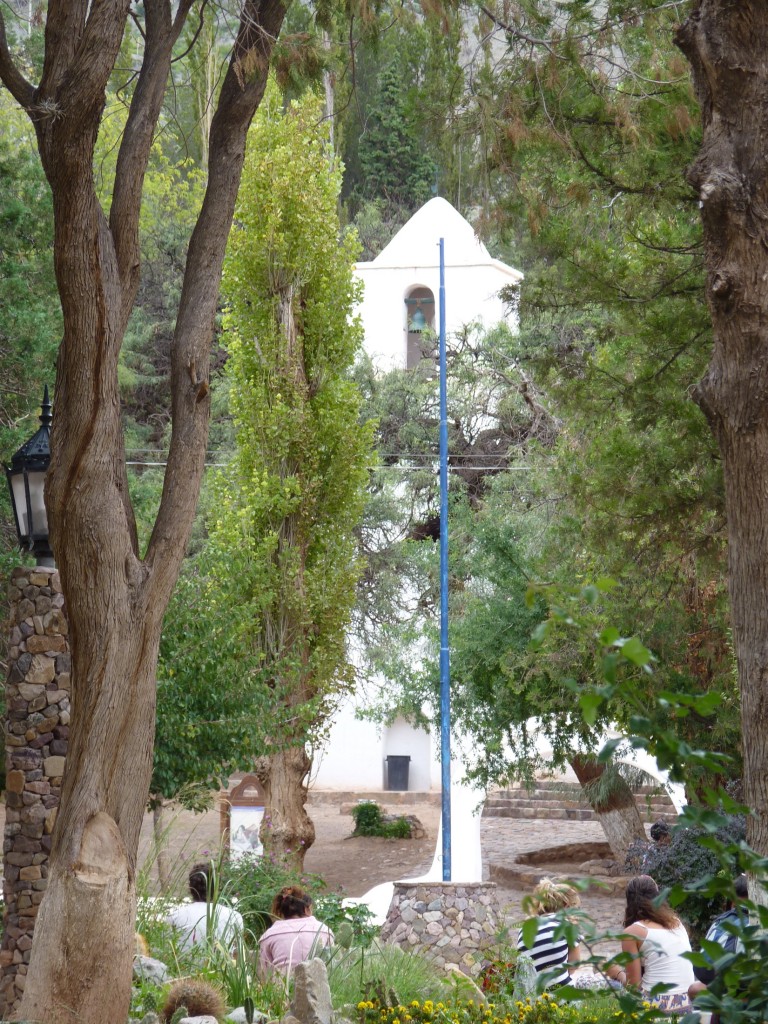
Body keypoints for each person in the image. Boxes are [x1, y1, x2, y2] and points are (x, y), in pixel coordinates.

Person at [605, 874, 695, 1015]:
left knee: (600, 984)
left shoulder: (632, 932)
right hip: (688, 1003)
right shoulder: (676, 922)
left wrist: (616, 972)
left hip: (657, 1007)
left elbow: (632, 987)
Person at [517, 878, 582, 990]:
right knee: (585, 981)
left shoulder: (525, 928)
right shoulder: (567, 925)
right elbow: (574, 964)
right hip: (561, 997)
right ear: (566, 905)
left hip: (530, 998)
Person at [166, 861, 244, 953]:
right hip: (221, 967)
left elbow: (167, 951)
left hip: (183, 967)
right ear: (217, 887)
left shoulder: (174, 916)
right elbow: (237, 955)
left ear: (190, 887)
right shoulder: (234, 916)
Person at [259, 886, 334, 975]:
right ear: (307, 908)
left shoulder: (268, 936)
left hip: (283, 987)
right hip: (319, 986)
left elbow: (266, 975)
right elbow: (332, 968)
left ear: (282, 910)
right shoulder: (324, 930)